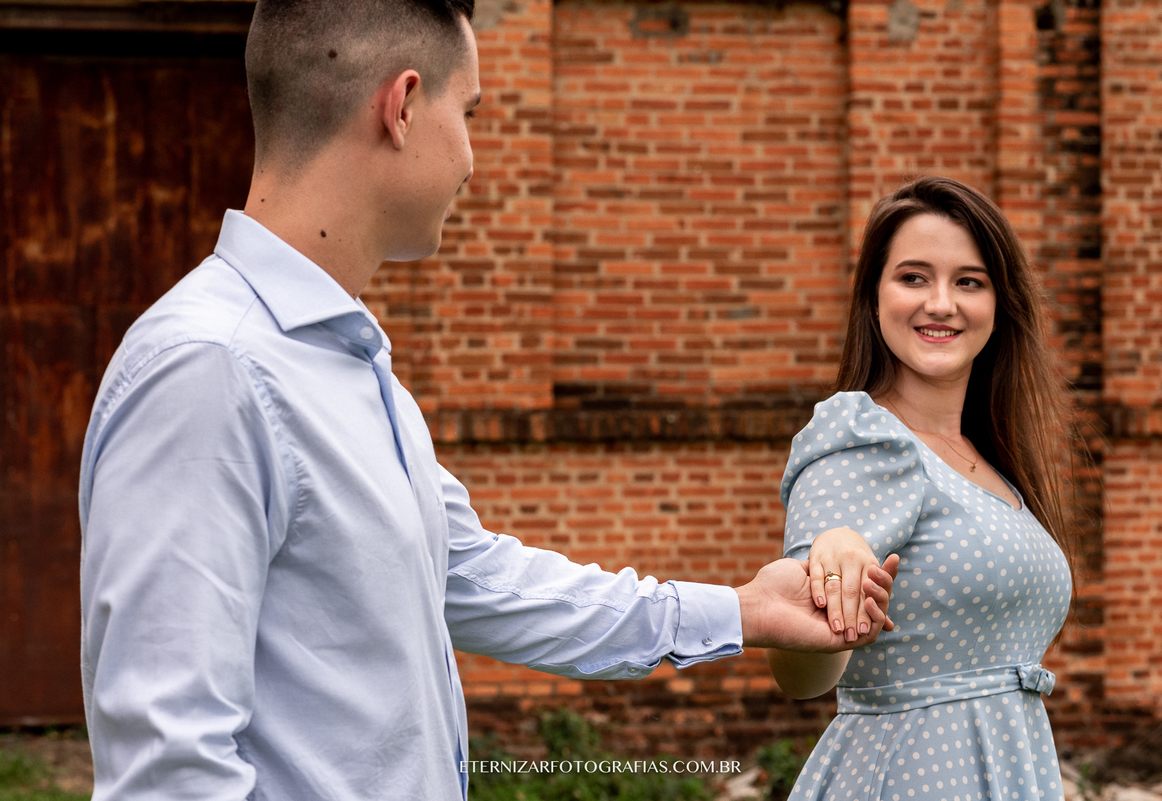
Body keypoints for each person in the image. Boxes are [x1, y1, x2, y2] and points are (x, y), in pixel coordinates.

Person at [77, 2, 899, 800]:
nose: (472, 156)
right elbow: (169, 768)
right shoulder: (209, 368)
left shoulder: (350, 364)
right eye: (466, 112)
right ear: (400, 106)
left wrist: (742, 609)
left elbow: (479, 577)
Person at [767, 176, 1074, 801]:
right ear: (874, 297)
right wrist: (832, 563)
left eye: (969, 281)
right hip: (910, 777)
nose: (941, 302)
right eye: (913, 277)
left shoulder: (992, 461)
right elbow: (801, 672)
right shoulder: (860, 440)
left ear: (998, 302)